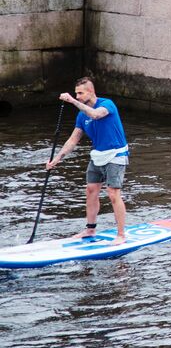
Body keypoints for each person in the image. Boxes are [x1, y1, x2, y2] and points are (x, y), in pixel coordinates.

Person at [46, 77, 129, 243]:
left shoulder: (107, 104)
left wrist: (71, 100)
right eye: (75, 94)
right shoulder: (81, 116)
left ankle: (121, 235)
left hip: (116, 155)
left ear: (90, 92)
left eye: (80, 93)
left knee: (113, 194)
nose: (77, 96)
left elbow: (96, 115)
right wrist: (57, 159)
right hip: (98, 155)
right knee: (91, 190)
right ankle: (90, 229)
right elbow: (73, 139)